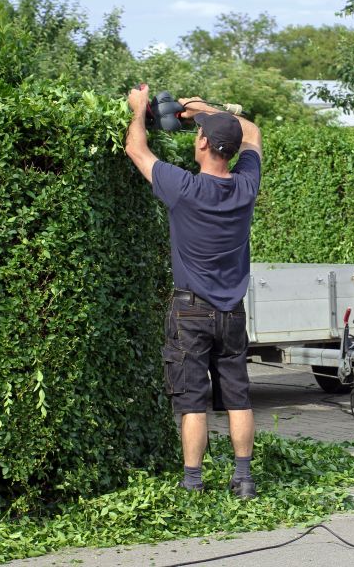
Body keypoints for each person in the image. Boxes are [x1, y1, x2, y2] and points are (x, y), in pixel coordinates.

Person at [125, 84, 262, 498]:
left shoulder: (182, 187)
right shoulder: (245, 186)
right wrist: (204, 111)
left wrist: (137, 109)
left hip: (190, 311)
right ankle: (243, 479)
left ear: (202, 144)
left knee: (191, 401)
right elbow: (251, 132)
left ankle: (193, 483)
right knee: (238, 396)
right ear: (231, 151)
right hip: (232, 312)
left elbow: (136, 148)